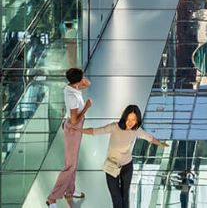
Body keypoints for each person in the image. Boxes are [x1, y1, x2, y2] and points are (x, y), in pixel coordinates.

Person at [82, 104, 166, 208]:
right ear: (124, 117)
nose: (130, 122)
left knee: (125, 196)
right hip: (111, 166)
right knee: (116, 197)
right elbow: (95, 131)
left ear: (137, 120)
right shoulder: (114, 127)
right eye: (128, 119)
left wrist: (160, 143)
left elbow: (149, 138)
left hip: (127, 166)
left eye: (134, 120)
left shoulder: (136, 130)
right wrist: (79, 130)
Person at [46, 67, 93, 207]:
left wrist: (80, 80)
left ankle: (69, 191)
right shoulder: (73, 96)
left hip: (74, 129)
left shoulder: (71, 88)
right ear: (78, 80)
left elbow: (88, 83)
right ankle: (52, 198)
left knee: (73, 164)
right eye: (82, 77)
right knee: (70, 166)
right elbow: (74, 120)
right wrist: (86, 107)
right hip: (73, 129)